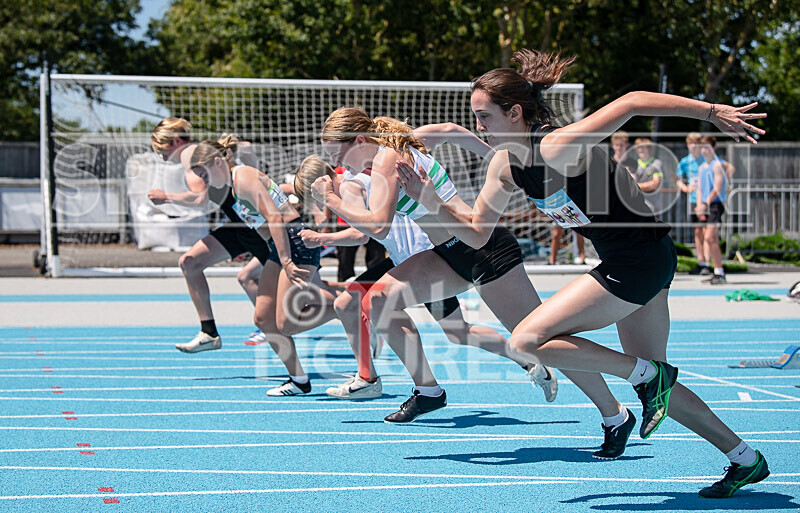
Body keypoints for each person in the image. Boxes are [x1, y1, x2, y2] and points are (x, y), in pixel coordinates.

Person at [395, 48, 769, 497]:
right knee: (658, 383)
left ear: (515, 113)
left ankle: (647, 377)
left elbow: (631, 102)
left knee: (526, 340)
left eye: (484, 116)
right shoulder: (505, 166)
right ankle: (744, 458)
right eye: (475, 117)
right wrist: (429, 198)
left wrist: (712, 112)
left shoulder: (557, 146)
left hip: (640, 259)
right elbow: (476, 234)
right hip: (629, 262)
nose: (479, 127)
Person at [316, 109, 636, 463]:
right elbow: (450, 129)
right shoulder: (399, 143)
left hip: (484, 250)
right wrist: (496, 157)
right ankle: (428, 391)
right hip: (447, 253)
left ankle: (615, 414)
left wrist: (331, 199)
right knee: (378, 300)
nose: (338, 164)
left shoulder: (386, 158)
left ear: (360, 140)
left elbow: (378, 225)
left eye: (338, 154)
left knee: (543, 343)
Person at [294, 155, 552, 403]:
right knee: (349, 304)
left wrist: (323, 237)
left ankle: (525, 359)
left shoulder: (349, 186)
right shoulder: (354, 178)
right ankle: (367, 375)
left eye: (311, 198)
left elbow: (363, 235)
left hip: (421, 260)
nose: (315, 205)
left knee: (455, 331)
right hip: (403, 259)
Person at [189, 139, 341, 396]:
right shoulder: (231, 185)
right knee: (263, 319)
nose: (203, 181)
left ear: (217, 162)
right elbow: (260, 223)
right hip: (279, 245)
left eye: (203, 174)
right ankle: (299, 380)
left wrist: (287, 261)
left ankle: (350, 306)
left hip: (293, 241)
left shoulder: (243, 178)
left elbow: (275, 218)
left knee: (286, 322)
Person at [149, 118, 269, 350]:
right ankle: (210, 332)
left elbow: (199, 199)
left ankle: (349, 307)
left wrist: (166, 196)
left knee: (306, 293)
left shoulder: (190, 157)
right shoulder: (203, 151)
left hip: (254, 227)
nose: (162, 158)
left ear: (175, 141)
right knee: (191, 262)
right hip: (240, 223)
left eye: (162, 151)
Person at [675, 132, 710, 275]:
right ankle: (701, 261)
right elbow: (676, 178)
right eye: (691, 143)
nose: (694, 146)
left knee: (708, 232)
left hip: (707, 200)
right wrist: (685, 188)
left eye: (697, 143)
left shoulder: (705, 159)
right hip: (693, 200)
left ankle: (708, 263)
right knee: (698, 231)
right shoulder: (685, 161)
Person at [695, 136, 728, 285]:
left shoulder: (717, 165)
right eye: (702, 147)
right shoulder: (702, 167)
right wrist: (699, 205)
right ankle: (718, 271)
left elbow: (717, 187)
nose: (704, 150)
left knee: (710, 237)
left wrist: (706, 204)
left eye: (707, 147)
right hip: (706, 204)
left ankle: (719, 271)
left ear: (713, 148)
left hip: (715, 205)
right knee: (709, 238)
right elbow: (700, 188)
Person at [630, 137, 664, 214]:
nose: (640, 150)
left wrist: (636, 185)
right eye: (638, 147)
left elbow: (655, 184)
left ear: (648, 148)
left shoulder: (657, 164)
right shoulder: (633, 164)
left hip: (652, 204)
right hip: (635, 204)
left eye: (643, 147)